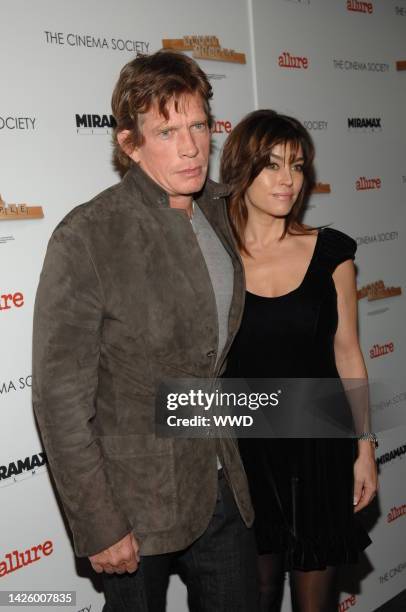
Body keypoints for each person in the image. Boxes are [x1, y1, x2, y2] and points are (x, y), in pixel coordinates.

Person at [32, 50, 258, 612]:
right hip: (133, 504)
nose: (190, 147)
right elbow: (60, 399)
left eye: (199, 125)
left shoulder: (216, 208)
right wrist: (99, 521)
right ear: (130, 143)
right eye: (166, 131)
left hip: (222, 485)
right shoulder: (87, 237)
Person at [220, 110, 378, 612]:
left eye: (298, 165)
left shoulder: (332, 254)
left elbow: (347, 351)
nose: (288, 179)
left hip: (318, 449)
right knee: (257, 594)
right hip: (245, 452)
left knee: (315, 603)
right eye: (272, 165)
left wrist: (365, 447)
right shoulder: (214, 257)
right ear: (242, 170)